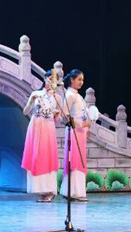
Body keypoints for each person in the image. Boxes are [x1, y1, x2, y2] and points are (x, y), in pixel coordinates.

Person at [21, 70, 63, 202]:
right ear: (45, 78)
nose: (52, 81)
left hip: (48, 127)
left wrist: (57, 115)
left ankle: (49, 190)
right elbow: (25, 111)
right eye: (50, 78)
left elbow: (60, 118)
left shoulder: (57, 97)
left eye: (54, 79)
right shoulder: (36, 94)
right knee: (36, 156)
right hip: (35, 126)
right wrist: (30, 102)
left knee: (47, 156)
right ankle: (41, 191)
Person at [59, 69, 91, 202]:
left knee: (79, 160)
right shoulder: (70, 95)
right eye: (79, 79)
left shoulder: (78, 95)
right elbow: (64, 115)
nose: (81, 82)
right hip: (74, 131)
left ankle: (74, 191)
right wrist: (80, 124)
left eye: (82, 80)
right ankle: (72, 191)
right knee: (74, 160)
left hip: (80, 131)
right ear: (72, 80)